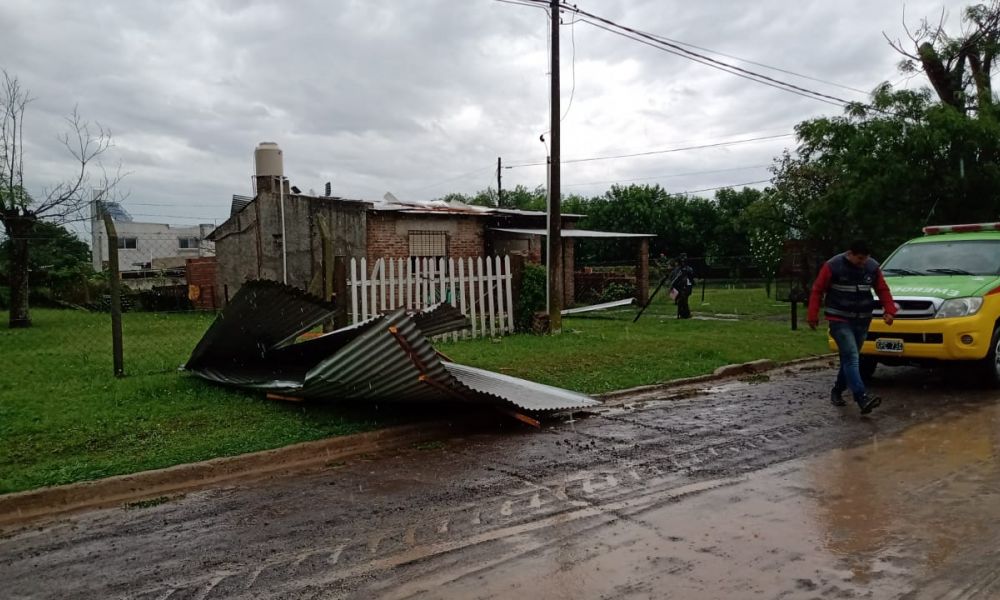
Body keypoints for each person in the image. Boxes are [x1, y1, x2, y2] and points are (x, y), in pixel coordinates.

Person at [808, 240, 897, 414]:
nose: (862, 263)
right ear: (850, 254)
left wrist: (890, 310)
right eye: (859, 259)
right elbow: (818, 290)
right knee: (852, 357)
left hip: (862, 320)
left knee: (849, 360)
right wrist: (812, 315)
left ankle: (837, 391)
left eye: (865, 259)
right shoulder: (833, 266)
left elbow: (882, 289)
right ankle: (861, 397)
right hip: (839, 319)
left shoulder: (872, 267)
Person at [670, 254, 696, 319]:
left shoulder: (688, 269)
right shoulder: (677, 269)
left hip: (686, 287)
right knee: (681, 300)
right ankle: (684, 314)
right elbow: (673, 278)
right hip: (679, 287)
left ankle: (685, 314)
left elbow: (691, 278)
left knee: (684, 300)